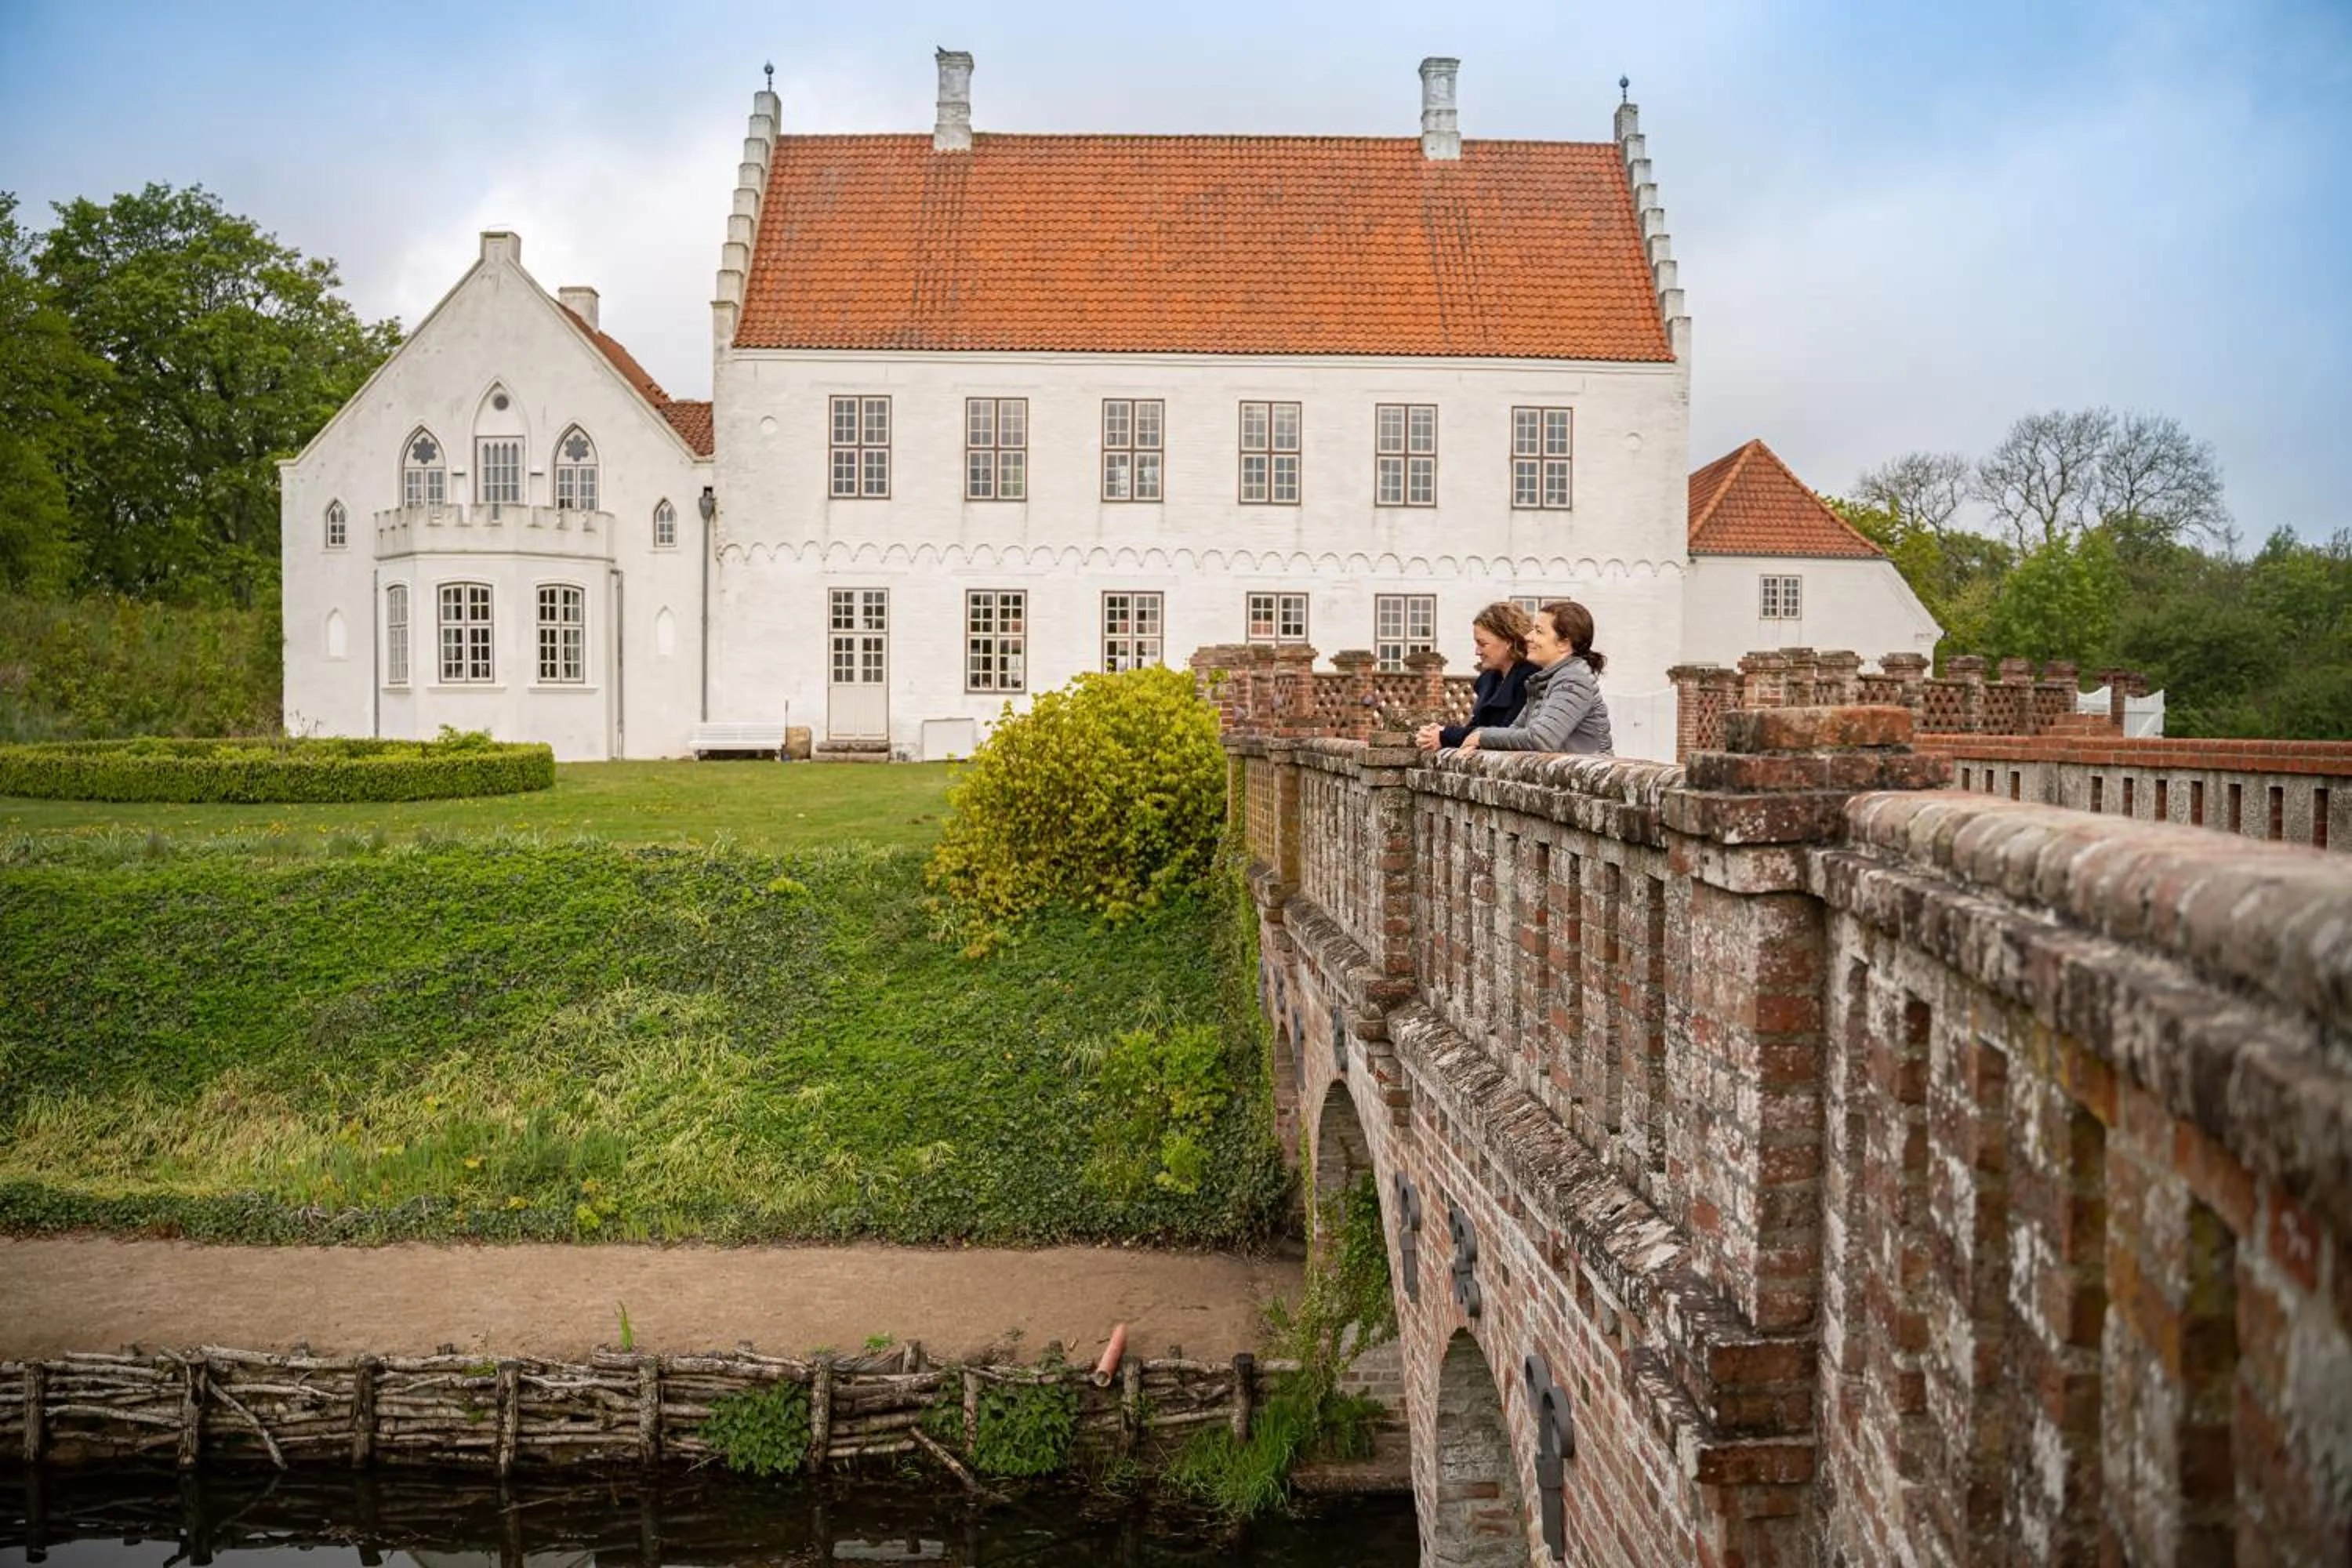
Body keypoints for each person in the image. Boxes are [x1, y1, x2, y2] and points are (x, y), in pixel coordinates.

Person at [1457, 600, 1613, 755]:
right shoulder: (1545, 680)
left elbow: (1542, 739)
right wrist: (1479, 740)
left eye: (1538, 631)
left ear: (1564, 644)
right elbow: (1515, 731)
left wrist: (1481, 737)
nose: (1528, 637)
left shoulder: (1574, 680)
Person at [1415, 602, 1535, 751]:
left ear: (1508, 642)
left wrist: (1445, 735)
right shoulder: (1490, 680)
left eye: (1483, 644)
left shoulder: (1530, 679)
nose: (1477, 652)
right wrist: (1440, 732)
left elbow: (1505, 732)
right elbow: (1477, 726)